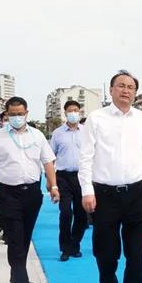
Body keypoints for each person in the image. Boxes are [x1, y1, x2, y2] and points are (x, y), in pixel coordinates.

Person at [78, 70, 142, 283]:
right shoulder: (96, 119)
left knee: (136, 257)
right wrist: (87, 190)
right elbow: (85, 157)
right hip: (104, 195)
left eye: (130, 87)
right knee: (105, 253)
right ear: (112, 90)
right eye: (121, 86)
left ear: (135, 92)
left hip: (138, 193)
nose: (126, 90)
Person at [0, 97, 59, 283]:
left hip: (32, 193)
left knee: (25, 236)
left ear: (26, 113)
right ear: (6, 115)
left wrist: (53, 186)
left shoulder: (37, 135)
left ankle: (17, 272)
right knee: (15, 237)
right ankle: (20, 282)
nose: (16, 117)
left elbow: (48, 162)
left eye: (20, 114)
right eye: (12, 114)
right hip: (8, 194)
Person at [50, 100, 87, 261]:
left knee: (81, 214)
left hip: (82, 177)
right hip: (63, 177)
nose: (73, 113)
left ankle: (75, 244)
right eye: (70, 111)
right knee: (65, 212)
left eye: (76, 110)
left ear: (80, 112)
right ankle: (65, 248)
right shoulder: (57, 133)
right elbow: (50, 157)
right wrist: (51, 183)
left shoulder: (86, 132)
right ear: (65, 113)